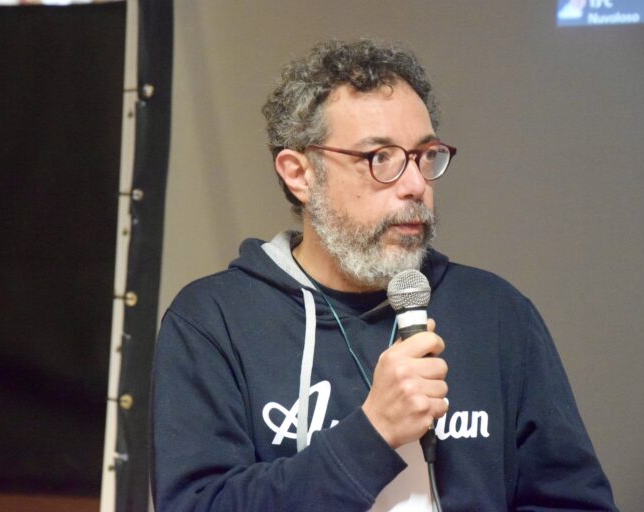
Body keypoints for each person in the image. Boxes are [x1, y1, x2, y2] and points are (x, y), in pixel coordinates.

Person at [151, 39, 616, 511]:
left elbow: (573, 502)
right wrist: (371, 436)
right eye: (380, 158)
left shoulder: (496, 314)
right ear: (299, 174)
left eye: (425, 155)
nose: (415, 184)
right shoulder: (214, 322)